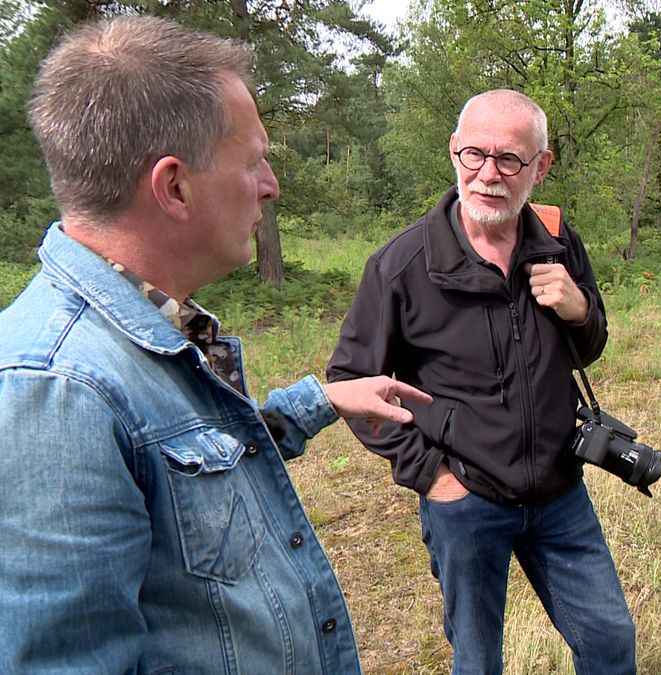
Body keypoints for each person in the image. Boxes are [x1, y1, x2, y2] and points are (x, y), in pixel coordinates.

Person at [0, 16, 432, 674]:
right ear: (174, 187)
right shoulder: (56, 394)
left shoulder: (148, 330)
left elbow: (194, 465)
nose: (270, 183)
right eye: (253, 160)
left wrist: (323, 400)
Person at [327, 89, 637, 674]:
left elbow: (588, 349)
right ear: (454, 152)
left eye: (509, 159)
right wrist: (431, 475)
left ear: (540, 167)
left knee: (609, 640)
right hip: (465, 500)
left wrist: (578, 309)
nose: (488, 174)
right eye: (475, 154)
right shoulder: (402, 265)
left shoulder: (557, 243)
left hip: (560, 492)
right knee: (477, 660)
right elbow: (350, 380)